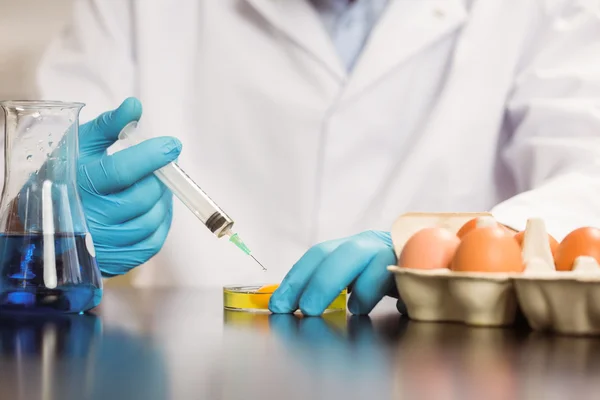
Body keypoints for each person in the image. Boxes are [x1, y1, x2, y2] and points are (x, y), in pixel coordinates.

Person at [34, 0, 600, 316]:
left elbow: (589, 179)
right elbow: (35, 150)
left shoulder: (542, 12)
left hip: (438, 368)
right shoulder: (129, 10)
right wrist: (46, 216)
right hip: (195, 373)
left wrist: (449, 247)